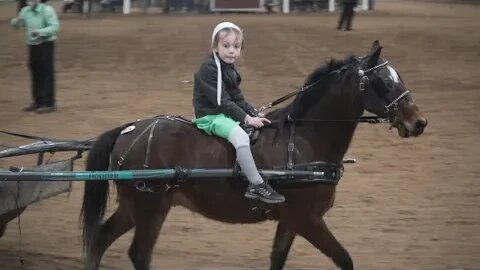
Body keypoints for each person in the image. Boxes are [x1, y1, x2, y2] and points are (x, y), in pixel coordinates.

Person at [192, 22, 285, 204]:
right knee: (241, 136)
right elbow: (222, 102)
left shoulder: (229, 68)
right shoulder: (210, 68)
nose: (231, 51)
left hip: (223, 113)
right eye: (226, 46)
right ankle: (256, 184)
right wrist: (246, 118)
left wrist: (254, 114)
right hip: (210, 117)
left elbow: (237, 97)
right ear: (215, 47)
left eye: (236, 46)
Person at [11, 0, 59, 114]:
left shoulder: (47, 10)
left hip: (46, 44)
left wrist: (39, 32)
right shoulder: (25, 11)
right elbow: (18, 25)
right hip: (32, 45)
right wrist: (16, 22)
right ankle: (38, 100)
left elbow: (55, 27)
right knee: (35, 71)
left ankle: (49, 103)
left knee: (46, 72)